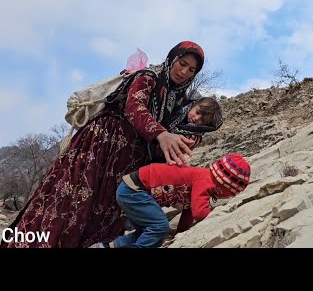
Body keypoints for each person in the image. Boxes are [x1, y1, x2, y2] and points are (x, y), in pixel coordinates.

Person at [3, 41, 206, 248]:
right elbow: (134, 107)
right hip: (100, 147)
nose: (184, 72)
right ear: (172, 58)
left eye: (191, 70)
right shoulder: (148, 77)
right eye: (182, 63)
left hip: (125, 164)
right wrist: (161, 134)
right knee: (73, 204)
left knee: (104, 214)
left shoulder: (176, 99)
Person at [90, 153, 251, 248]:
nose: (228, 197)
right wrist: (217, 219)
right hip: (134, 190)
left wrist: (181, 234)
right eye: (230, 194)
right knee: (159, 226)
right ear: (225, 186)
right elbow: (200, 212)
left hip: (131, 189)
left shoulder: (203, 182)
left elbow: (189, 212)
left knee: (147, 232)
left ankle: (108, 246)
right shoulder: (205, 180)